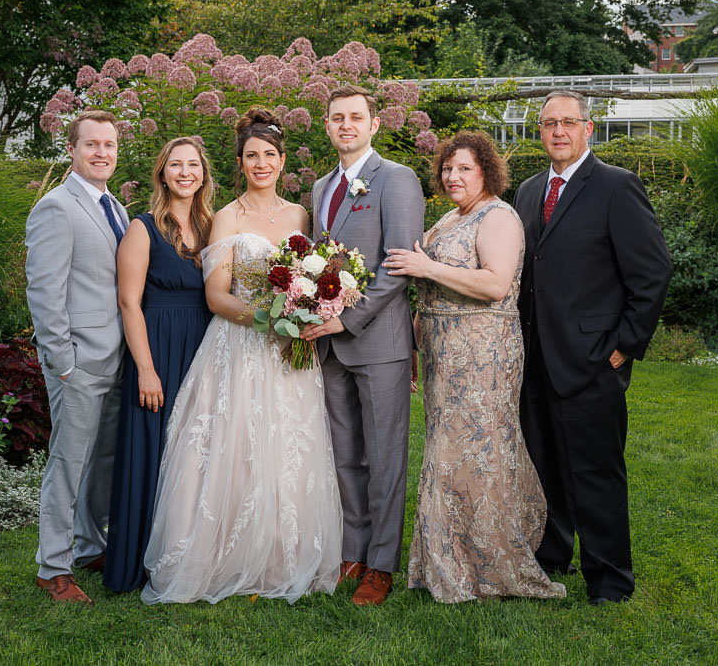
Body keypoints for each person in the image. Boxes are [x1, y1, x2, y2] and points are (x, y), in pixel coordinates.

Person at [141, 107, 341, 605]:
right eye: (251, 156)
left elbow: (314, 280)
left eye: (269, 155)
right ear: (239, 162)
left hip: (290, 352)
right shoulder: (226, 218)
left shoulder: (300, 215)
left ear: (282, 160)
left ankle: (281, 557)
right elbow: (216, 296)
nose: (260, 163)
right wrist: (270, 321)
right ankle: (222, 555)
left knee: (288, 447)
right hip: (241, 346)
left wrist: (309, 311)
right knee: (236, 448)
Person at [383, 131, 566, 604]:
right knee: (447, 451)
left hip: (484, 352)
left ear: (486, 171)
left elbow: (495, 284)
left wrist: (426, 269)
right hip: (444, 353)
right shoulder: (448, 219)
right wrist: (419, 340)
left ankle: (491, 565)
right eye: (447, 168)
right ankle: (448, 561)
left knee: (479, 448)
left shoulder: (498, 216)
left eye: (464, 168)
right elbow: (430, 292)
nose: (453, 176)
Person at [511, 91, 671, 605]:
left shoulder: (616, 187)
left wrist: (625, 345)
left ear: (589, 128)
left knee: (596, 475)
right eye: (549, 123)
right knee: (546, 468)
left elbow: (652, 273)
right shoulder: (529, 191)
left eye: (568, 122)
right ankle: (552, 555)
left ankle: (609, 581)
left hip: (594, 360)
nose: (558, 131)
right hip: (536, 359)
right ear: (540, 132)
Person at [300, 85, 425, 606]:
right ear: (326, 126)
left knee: (385, 457)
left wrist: (343, 321)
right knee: (345, 454)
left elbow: (397, 267)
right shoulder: (321, 187)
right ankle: (352, 549)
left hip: (378, 343)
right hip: (329, 347)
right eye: (336, 118)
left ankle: (381, 564)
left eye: (356, 117)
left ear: (375, 125)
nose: (345, 125)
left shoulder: (396, 179)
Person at [25, 110, 129, 605]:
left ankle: (90, 546)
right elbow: (44, 292)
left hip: (116, 359)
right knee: (69, 462)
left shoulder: (116, 207)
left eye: (109, 145)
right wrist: (63, 361)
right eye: (92, 145)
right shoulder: (55, 207)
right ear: (71, 149)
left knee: (100, 461)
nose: (102, 153)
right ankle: (53, 568)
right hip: (79, 362)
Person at [102, 137, 215, 593]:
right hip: (159, 349)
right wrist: (145, 369)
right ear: (162, 174)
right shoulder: (142, 228)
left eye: (193, 165)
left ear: (204, 174)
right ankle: (140, 560)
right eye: (176, 165)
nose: (185, 172)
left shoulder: (213, 228)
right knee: (154, 450)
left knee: (197, 452)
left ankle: (192, 553)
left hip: (206, 346)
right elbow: (129, 303)